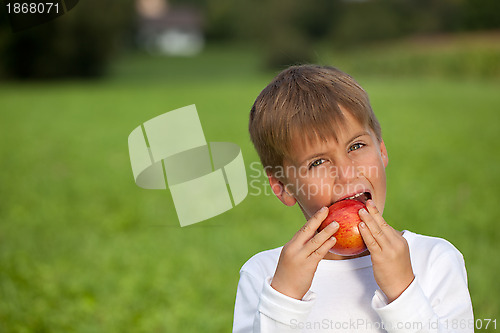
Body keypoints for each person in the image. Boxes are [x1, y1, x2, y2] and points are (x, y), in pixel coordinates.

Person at [232, 65, 473, 332]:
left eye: (356, 146)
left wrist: (403, 292)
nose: (346, 173)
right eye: (318, 162)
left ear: (381, 150)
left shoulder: (434, 262)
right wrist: (283, 300)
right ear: (283, 187)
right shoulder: (265, 276)